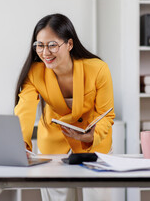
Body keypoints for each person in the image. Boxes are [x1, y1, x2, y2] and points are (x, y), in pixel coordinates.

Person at [14, 13, 115, 201]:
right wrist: (20, 142)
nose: (45, 52)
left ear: (69, 44)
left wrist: (90, 135)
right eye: (40, 45)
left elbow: (106, 115)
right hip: (53, 145)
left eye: (52, 45)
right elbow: (24, 110)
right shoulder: (35, 72)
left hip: (93, 144)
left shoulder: (98, 69)